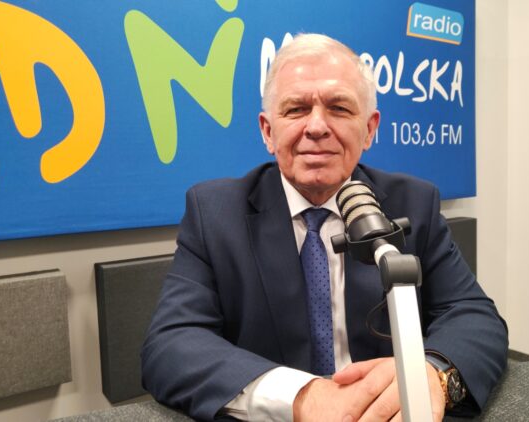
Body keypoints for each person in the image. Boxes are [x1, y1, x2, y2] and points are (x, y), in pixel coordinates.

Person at [141, 33, 508, 422]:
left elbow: (473, 316)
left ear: (369, 129)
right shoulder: (214, 214)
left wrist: (433, 376)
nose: (317, 127)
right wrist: (303, 397)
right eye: (296, 109)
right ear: (268, 131)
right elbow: (171, 345)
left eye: (339, 108)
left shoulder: (415, 203)